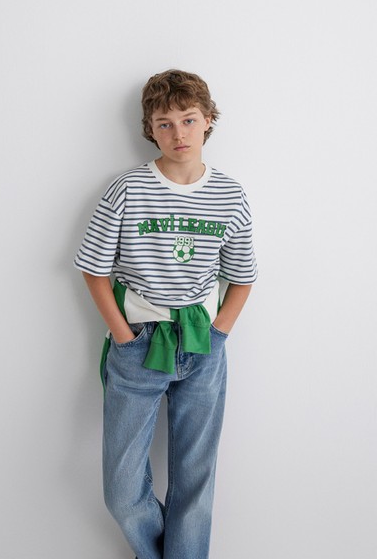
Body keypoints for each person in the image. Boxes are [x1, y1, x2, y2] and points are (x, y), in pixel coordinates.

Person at [74, 69, 258, 559]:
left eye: (189, 120)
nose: (179, 133)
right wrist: (124, 336)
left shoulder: (230, 195)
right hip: (138, 344)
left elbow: (242, 276)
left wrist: (218, 334)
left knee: (195, 482)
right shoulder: (127, 189)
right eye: (165, 123)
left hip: (203, 346)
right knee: (121, 490)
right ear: (150, 130)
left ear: (208, 120)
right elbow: (93, 269)